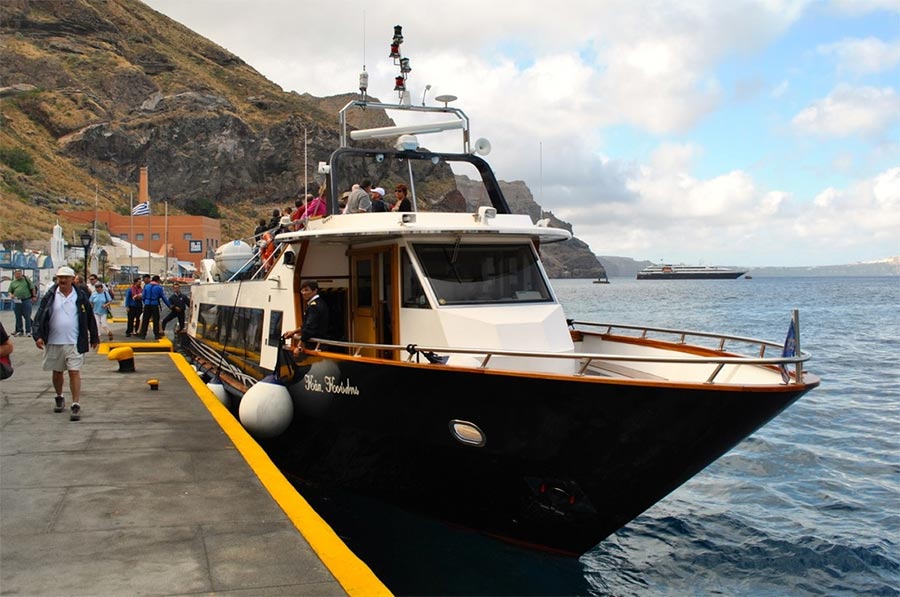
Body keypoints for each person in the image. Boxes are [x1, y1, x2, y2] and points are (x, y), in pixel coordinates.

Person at [32, 266, 99, 421]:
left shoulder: (80, 296)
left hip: (74, 341)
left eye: (66, 277)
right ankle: (59, 396)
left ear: (72, 279)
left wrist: (94, 336)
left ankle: (75, 404)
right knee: (57, 372)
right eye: (60, 277)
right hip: (54, 341)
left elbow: (89, 317)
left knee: (74, 371)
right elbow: (40, 316)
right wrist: (38, 336)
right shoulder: (50, 296)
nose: (62, 280)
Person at [282, 280, 329, 352]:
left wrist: (299, 346)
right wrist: (294, 332)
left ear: (315, 291)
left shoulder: (314, 307)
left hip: (315, 345)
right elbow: (306, 325)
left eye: (306, 290)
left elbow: (309, 327)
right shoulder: (319, 303)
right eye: (302, 290)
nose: (304, 293)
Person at [137, 275, 170, 340]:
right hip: (154, 304)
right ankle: (156, 335)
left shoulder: (146, 286)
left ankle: (143, 335)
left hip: (147, 304)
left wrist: (145, 302)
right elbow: (164, 298)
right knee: (156, 320)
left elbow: (143, 296)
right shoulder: (159, 288)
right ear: (157, 280)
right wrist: (169, 305)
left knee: (145, 320)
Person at [8, 268, 37, 337]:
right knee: (18, 316)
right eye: (16, 274)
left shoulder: (26, 280)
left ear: (21, 274)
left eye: (19, 274)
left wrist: (34, 296)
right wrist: (11, 295)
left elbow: (32, 288)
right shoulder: (13, 282)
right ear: (14, 275)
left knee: (27, 316)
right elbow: (10, 291)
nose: (17, 275)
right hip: (17, 301)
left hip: (26, 300)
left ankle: (28, 331)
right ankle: (20, 330)